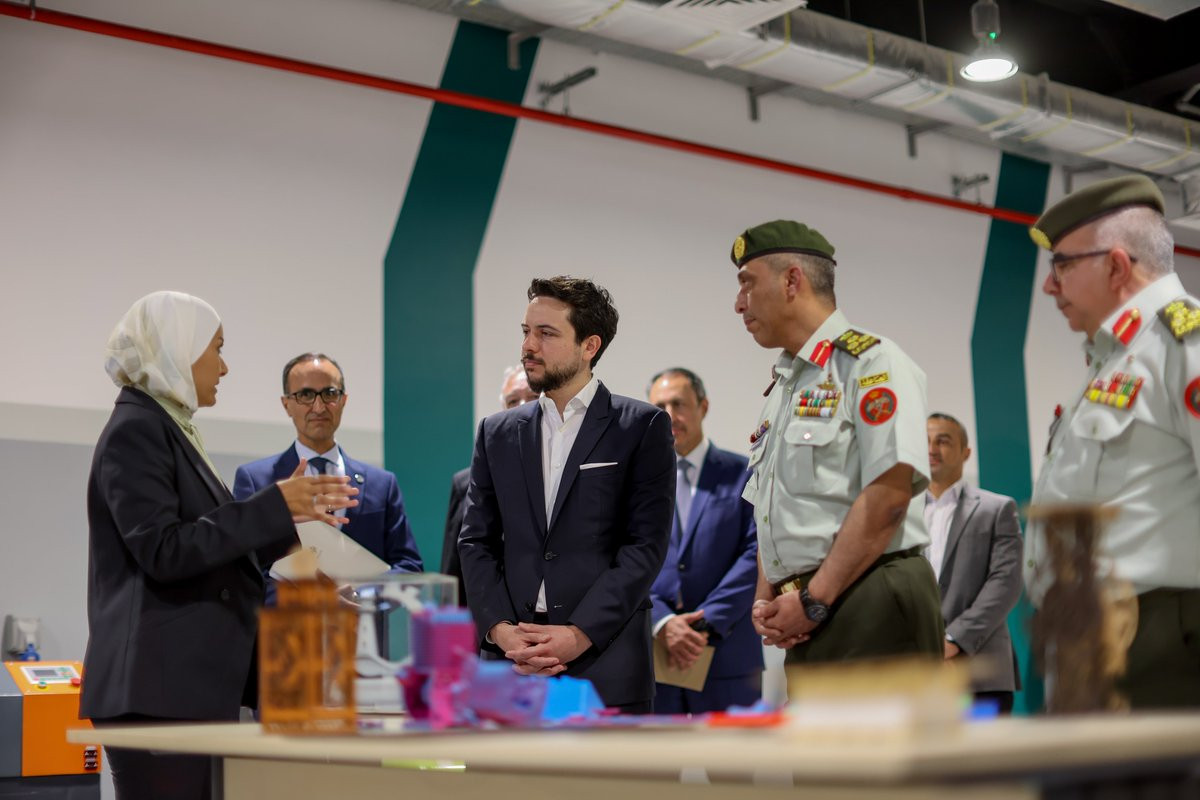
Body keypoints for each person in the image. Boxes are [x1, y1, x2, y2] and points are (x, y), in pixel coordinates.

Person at [80, 292, 358, 800]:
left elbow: (205, 544)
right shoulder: (138, 428)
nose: (224, 366)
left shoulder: (169, 425)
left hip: (182, 687)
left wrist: (286, 534)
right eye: (217, 348)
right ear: (178, 349)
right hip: (158, 689)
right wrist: (273, 505)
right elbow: (164, 551)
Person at [458, 276, 675, 713]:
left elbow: (644, 548)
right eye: (526, 331)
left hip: (605, 666)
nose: (528, 346)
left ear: (589, 346)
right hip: (511, 664)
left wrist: (579, 634)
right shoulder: (496, 432)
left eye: (546, 333)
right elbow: (476, 541)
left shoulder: (641, 427)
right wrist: (501, 631)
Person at [731, 220, 943, 662]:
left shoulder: (871, 363)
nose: (738, 303)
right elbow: (771, 509)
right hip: (809, 608)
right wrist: (766, 595)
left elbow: (889, 496)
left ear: (792, 280)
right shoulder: (783, 389)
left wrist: (814, 600)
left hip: (871, 597)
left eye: (747, 283)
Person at [1025, 174, 1200, 709]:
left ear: (1117, 265)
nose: (1049, 286)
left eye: (1061, 265)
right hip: (1096, 635)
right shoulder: (1116, 359)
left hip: (1162, 637)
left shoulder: (1184, 341)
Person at [233, 352, 422, 574]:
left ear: (343, 400)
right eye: (305, 395)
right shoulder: (256, 481)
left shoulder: (382, 484)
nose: (319, 407)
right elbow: (244, 571)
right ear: (286, 405)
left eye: (329, 393)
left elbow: (409, 567)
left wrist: (362, 590)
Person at [647, 367, 761, 713]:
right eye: (660, 407)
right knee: (657, 751)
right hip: (656, 654)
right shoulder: (636, 481)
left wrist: (706, 619)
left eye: (679, 404)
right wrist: (662, 621)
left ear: (704, 406)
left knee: (733, 751)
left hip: (728, 654)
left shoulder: (744, 473)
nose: (669, 416)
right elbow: (622, 556)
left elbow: (757, 551)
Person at [925, 413, 1023, 713]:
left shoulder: (997, 508)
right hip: (918, 676)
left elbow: (1005, 584)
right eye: (926, 441)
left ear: (966, 452)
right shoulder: (899, 513)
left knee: (987, 747)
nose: (931, 449)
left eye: (943, 441)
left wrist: (953, 640)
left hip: (982, 674)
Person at [442, 365, 539, 602]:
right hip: (489, 615)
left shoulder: (569, 471)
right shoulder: (466, 483)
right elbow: (454, 570)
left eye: (533, 397)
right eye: (513, 401)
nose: (522, 406)